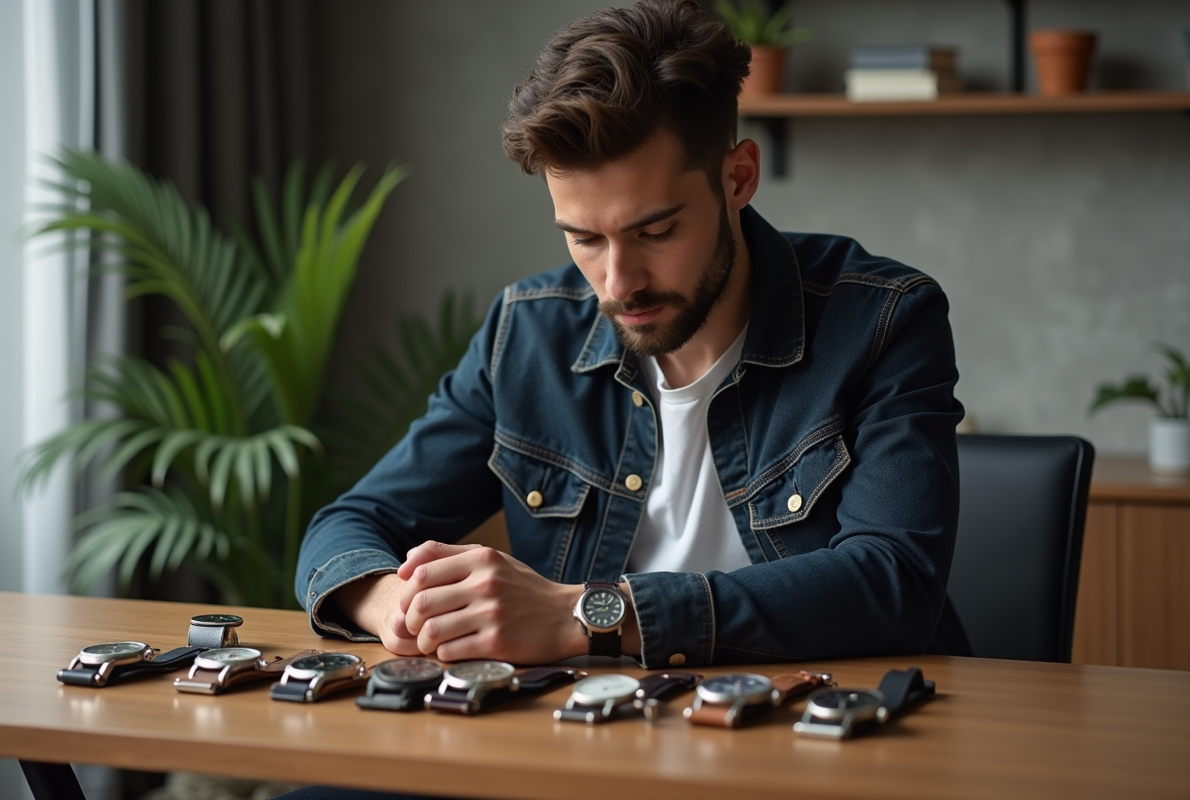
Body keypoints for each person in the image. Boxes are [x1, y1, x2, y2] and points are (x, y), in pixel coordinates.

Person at [295, 0, 970, 680]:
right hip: (593, 727)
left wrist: (584, 615)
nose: (619, 283)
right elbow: (350, 525)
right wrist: (397, 607)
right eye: (584, 238)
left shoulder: (884, 320)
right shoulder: (526, 334)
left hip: (831, 721)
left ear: (738, 178)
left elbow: (895, 581)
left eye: (655, 232)